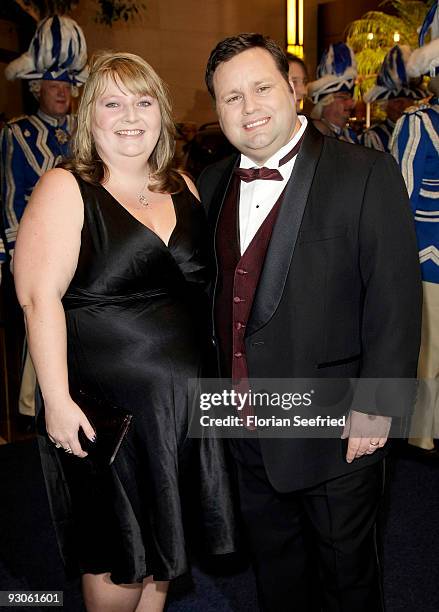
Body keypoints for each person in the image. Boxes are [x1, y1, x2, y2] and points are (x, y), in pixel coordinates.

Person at [198, 33, 421, 611]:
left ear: (293, 89)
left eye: (261, 88)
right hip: (243, 426)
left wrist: (379, 404)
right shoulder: (213, 182)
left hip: (338, 427)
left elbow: (394, 300)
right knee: (277, 579)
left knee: (348, 582)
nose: (248, 108)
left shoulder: (365, 172)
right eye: (230, 97)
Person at [13, 51, 235, 612]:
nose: (130, 115)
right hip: (107, 412)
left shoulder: (182, 184)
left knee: (164, 548)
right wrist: (57, 400)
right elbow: (38, 299)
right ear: (90, 116)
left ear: (161, 113)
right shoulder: (66, 186)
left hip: (182, 411)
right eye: (112, 102)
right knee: (119, 556)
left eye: (143, 101)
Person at [0, 15, 88, 419]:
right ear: (37, 87)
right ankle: (36, 416)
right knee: (39, 347)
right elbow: (11, 200)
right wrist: (18, 262)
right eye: (54, 83)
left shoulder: (86, 132)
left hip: (84, 257)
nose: (62, 91)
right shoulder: (16, 134)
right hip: (39, 259)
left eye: (68, 83)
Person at [391, 1, 439, 457]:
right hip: (429, 263)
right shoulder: (417, 123)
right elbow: (399, 205)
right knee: (429, 361)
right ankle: (419, 447)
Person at [361, 45, 425, 152]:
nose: (404, 106)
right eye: (397, 101)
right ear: (384, 105)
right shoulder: (374, 138)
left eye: (408, 101)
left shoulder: (425, 131)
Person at [308, 42, 358, 143]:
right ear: (326, 102)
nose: (351, 103)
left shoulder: (351, 137)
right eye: (343, 98)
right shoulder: (314, 137)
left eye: (350, 98)